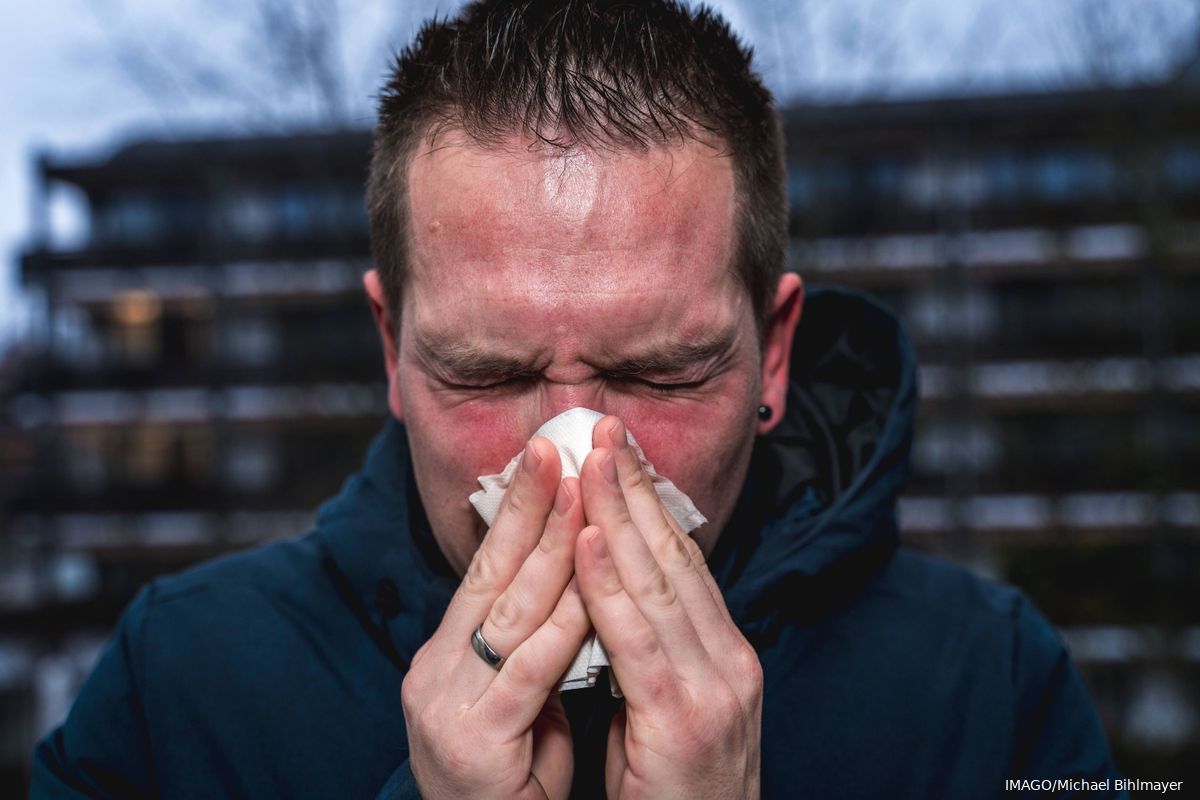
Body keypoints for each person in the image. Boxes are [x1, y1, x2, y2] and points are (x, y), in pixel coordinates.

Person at [31, 1, 1124, 798]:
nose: (569, 454)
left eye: (661, 373)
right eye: (490, 373)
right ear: (392, 353)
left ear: (774, 356)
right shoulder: (174, 687)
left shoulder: (998, 688)